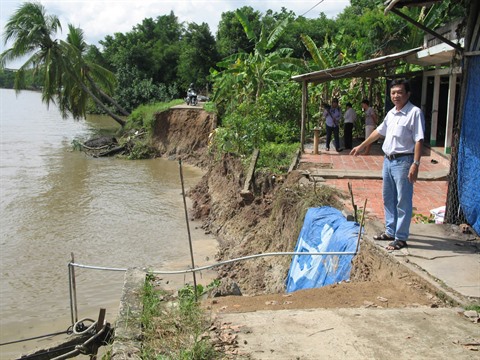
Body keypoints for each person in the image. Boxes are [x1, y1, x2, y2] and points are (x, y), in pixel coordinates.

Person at [350, 79, 425, 251]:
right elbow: (379, 131)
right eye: (393, 93)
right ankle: (390, 231)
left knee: (403, 200)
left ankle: (401, 237)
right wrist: (361, 146)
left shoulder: (414, 113)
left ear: (408, 94)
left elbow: (419, 139)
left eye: (399, 92)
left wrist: (416, 163)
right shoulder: (391, 113)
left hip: (404, 161)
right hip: (388, 161)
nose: (396, 96)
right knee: (388, 197)